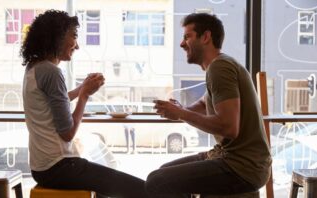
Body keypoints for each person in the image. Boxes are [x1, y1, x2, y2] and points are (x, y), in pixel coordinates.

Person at [21, 10, 147, 198]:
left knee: (105, 189)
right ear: (57, 36)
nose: (77, 45)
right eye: (74, 36)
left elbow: (54, 101)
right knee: (140, 188)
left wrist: (81, 88)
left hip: (41, 168)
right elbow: (67, 133)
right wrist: (85, 95)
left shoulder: (34, 67)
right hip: (60, 167)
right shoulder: (52, 73)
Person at [145, 13, 272, 197]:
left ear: (205, 37)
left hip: (243, 167)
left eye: (187, 37)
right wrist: (180, 109)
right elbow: (205, 103)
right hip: (231, 158)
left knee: (157, 181)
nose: (182, 44)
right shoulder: (220, 65)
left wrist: (181, 113)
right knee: (163, 172)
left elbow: (229, 127)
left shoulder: (219, 68)